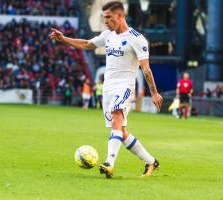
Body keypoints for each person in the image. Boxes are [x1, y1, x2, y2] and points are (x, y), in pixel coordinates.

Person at [50, 1, 163, 178]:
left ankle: (109, 163)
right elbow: (87, 44)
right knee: (121, 131)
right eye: (104, 18)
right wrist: (64, 39)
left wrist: (154, 92)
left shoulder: (137, 38)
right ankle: (150, 161)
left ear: (120, 16)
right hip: (108, 89)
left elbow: (146, 68)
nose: (105, 21)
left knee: (117, 116)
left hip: (125, 86)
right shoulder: (108, 35)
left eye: (108, 17)